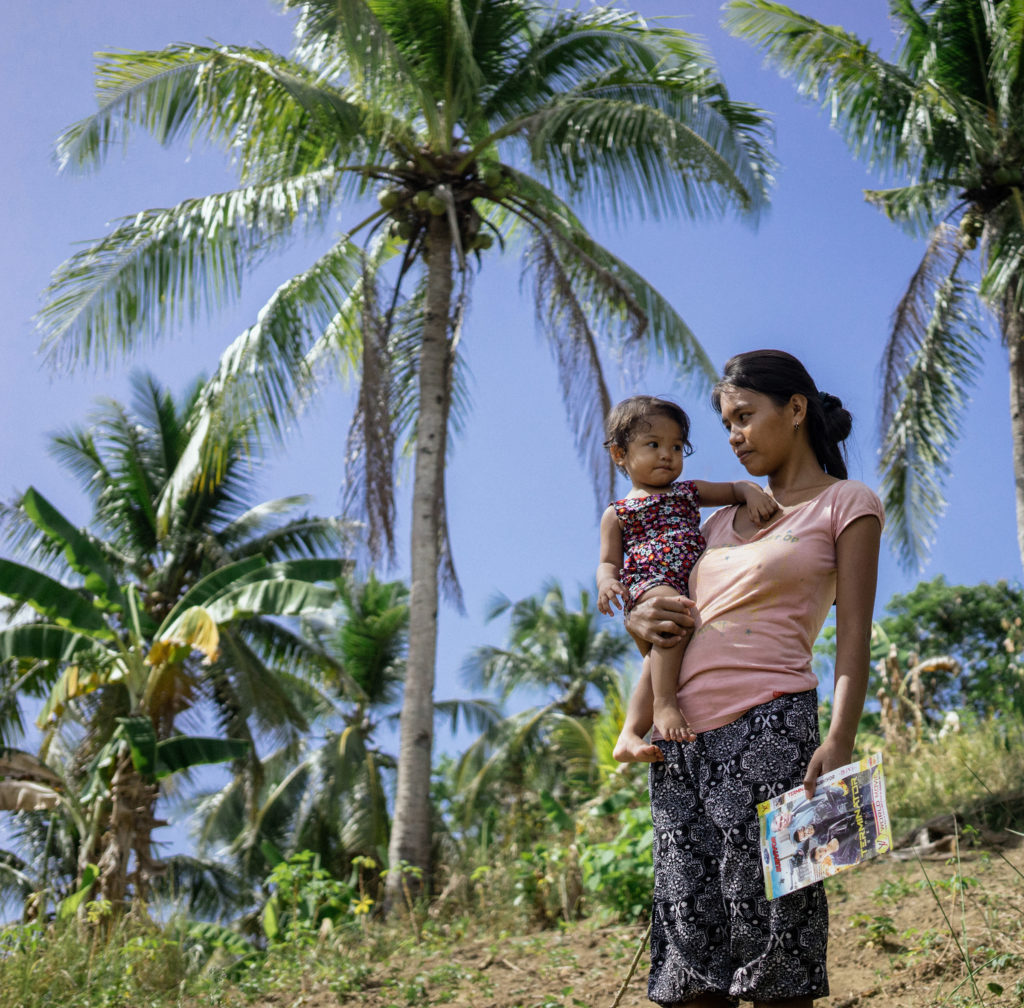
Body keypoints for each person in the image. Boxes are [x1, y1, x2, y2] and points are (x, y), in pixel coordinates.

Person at [612, 350, 883, 1008]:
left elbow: (853, 639)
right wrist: (636, 617)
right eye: (725, 423)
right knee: (688, 951)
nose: (733, 435)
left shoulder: (847, 504)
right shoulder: (706, 524)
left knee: (777, 943)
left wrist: (840, 739)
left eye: (744, 416)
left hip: (775, 731)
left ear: (795, 410)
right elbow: (663, 618)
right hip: (679, 744)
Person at [596, 395, 778, 742]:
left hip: (690, 582)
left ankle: (631, 734)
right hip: (652, 581)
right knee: (671, 621)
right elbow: (608, 561)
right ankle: (665, 705)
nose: (667, 454)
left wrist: (751, 493)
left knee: (659, 654)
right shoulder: (618, 512)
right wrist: (607, 583)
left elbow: (734, 488)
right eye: (654, 445)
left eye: (677, 447)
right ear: (620, 453)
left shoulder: (687, 492)